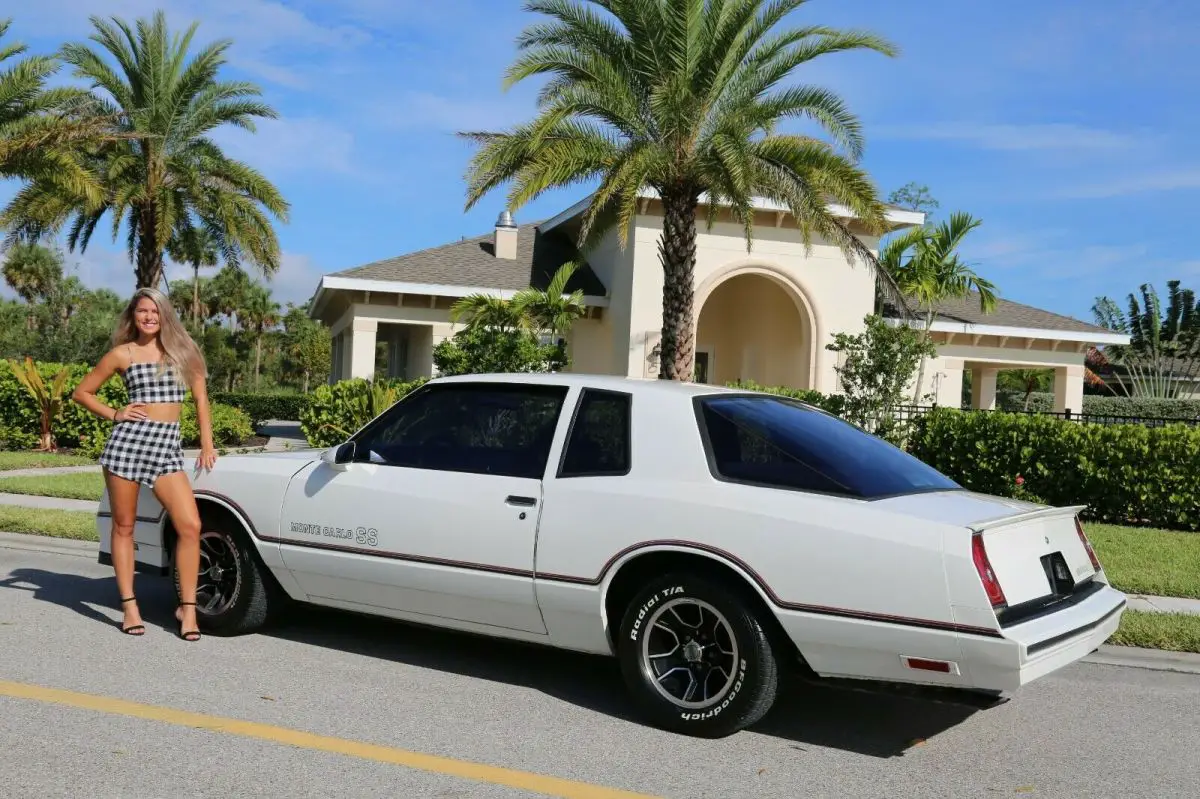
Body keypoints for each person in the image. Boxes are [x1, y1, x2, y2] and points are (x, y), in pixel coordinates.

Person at [72, 287, 218, 641]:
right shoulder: (122, 354)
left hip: (166, 448)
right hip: (127, 446)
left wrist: (207, 442)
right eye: (142, 311)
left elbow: (200, 400)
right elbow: (82, 392)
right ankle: (129, 605)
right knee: (124, 527)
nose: (149, 317)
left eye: (154, 311)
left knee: (189, 524)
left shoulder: (184, 352)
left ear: (164, 314)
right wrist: (114, 413)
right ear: (133, 316)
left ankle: (187, 607)